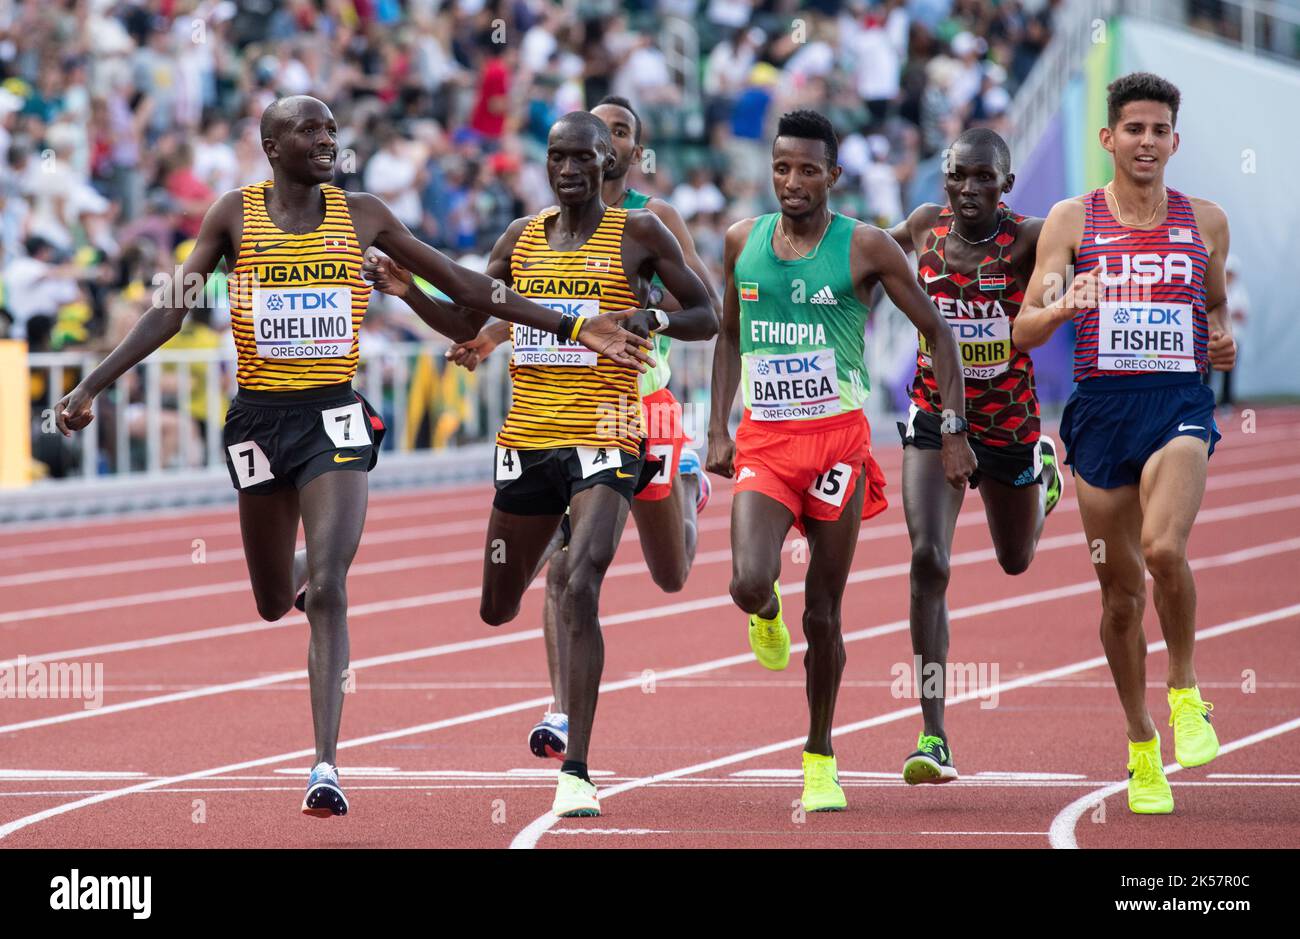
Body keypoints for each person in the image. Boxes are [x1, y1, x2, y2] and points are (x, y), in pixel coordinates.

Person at [54, 96, 652, 819]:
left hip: (333, 416)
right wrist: (93, 381)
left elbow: (467, 288)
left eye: (333, 128)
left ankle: (324, 764)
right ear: (272, 148)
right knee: (276, 599)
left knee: (332, 587)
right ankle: (301, 574)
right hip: (257, 421)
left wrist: (572, 324)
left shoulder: (363, 214)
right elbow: (172, 306)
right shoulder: (231, 216)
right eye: (311, 130)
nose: (328, 139)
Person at [370, 111, 715, 818]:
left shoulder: (640, 233)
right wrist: (411, 293)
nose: (569, 170)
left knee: (580, 578)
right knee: (498, 606)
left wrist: (649, 319)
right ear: (545, 164)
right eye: (557, 157)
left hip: (612, 430)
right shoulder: (520, 238)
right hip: (529, 438)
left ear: (606, 163)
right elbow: (471, 318)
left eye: (583, 157)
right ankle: (647, 498)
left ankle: (578, 768)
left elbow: (706, 312)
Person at [708, 109, 976, 812]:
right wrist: (715, 425)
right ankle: (761, 610)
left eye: (806, 169)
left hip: (837, 446)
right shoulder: (741, 240)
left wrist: (952, 428)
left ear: (833, 175)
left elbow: (940, 334)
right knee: (745, 579)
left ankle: (820, 753)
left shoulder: (867, 248)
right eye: (780, 167)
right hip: (765, 441)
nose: (791, 181)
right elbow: (728, 335)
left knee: (823, 613)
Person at [1013, 73, 1236, 815]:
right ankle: (1143, 745)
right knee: (1119, 597)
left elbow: (1213, 306)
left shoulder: (1205, 220)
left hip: (1177, 404)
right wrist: (1063, 303)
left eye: (1159, 129)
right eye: (1133, 129)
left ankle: (1185, 692)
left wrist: (1224, 337)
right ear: (1108, 138)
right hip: (1101, 414)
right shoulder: (1071, 222)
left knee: (1165, 548)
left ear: (1176, 139)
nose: (1147, 141)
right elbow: (1024, 325)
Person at [886, 127, 1060, 785]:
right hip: (933, 417)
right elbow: (866, 253)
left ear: (1006, 184)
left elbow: (1093, 247)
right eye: (959, 174)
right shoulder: (924, 225)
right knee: (928, 559)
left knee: (1015, 560)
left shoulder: (1030, 237)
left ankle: (1042, 475)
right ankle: (933, 733)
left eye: (984, 176)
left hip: (1009, 422)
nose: (969, 188)